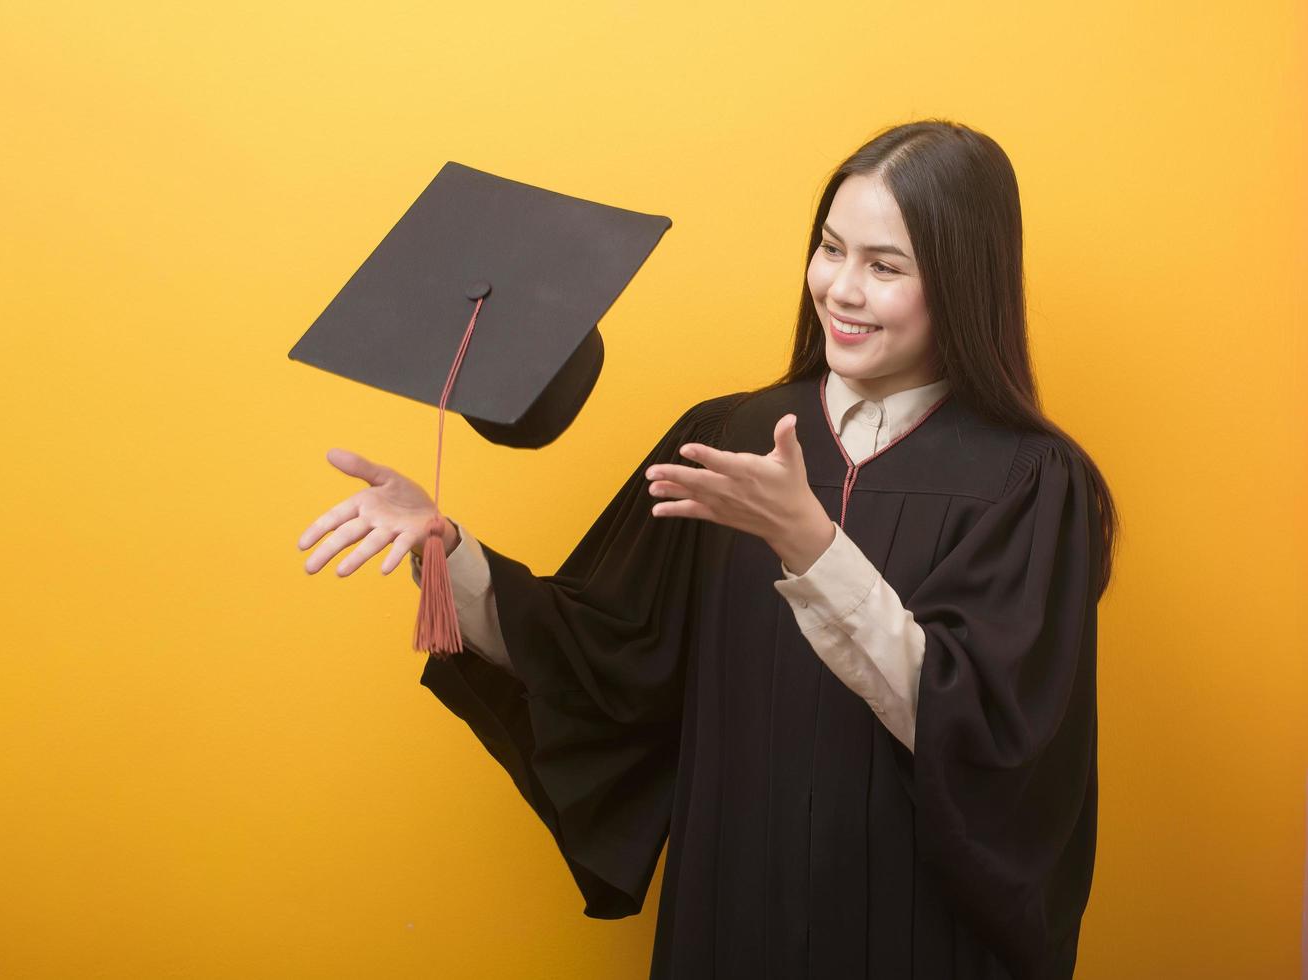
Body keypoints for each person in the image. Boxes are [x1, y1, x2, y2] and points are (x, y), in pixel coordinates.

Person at [297, 119, 1119, 979]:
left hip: (918, 935)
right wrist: (447, 550)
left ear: (960, 281)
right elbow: (604, 658)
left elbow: (991, 743)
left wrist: (809, 543)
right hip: (736, 916)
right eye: (831, 249)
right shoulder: (726, 437)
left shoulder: (1028, 482)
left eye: (885, 266)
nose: (840, 289)